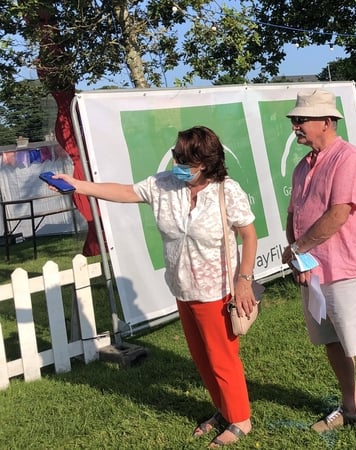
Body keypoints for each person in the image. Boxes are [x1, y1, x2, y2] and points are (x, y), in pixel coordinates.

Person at [52, 126, 258, 447]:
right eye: (174, 153)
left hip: (216, 291)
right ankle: (223, 410)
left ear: (202, 162)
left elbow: (249, 235)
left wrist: (243, 280)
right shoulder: (163, 185)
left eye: (180, 156)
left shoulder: (226, 191)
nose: (174, 159)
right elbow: (123, 191)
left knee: (221, 357)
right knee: (201, 358)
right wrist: (78, 185)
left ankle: (240, 420)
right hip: (182, 289)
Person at [281, 89, 356, 450]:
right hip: (313, 273)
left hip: (343, 268)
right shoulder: (303, 166)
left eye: (302, 120)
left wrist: (298, 249)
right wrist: (299, 258)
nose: (296, 126)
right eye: (295, 121)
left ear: (327, 122)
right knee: (331, 342)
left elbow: (338, 214)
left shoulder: (347, 158)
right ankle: (350, 407)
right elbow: (294, 216)